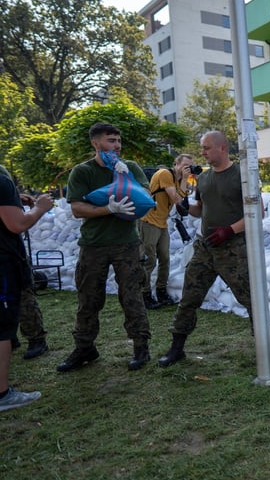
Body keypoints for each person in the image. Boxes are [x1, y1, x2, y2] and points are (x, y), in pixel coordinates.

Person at [60, 122, 152, 372]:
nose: (117, 146)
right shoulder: (82, 172)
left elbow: (144, 196)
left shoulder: (129, 167)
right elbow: (77, 208)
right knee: (89, 298)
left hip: (127, 244)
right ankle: (84, 348)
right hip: (93, 245)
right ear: (96, 143)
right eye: (111, 141)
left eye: (118, 141)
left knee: (131, 295)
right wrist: (108, 209)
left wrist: (126, 178)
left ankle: (141, 347)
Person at [157, 131, 252, 367]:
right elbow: (200, 208)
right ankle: (176, 348)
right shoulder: (204, 179)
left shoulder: (242, 174)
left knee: (251, 298)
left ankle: (263, 347)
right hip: (205, 246)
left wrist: (229, 230)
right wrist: (185, 208)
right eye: (202, 148)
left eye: (206, 148)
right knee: (189, 297)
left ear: (222, 148)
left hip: (233, 249)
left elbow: (255, 212)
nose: (202, 152)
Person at [0, 166, 52, 410]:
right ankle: (2, 394)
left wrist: (12, 200)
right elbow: (17, 224)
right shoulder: (1, 181)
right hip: (3, 263)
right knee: (3, 326)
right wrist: (40, 208)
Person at [139, 154, 194, 309]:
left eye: (189, 166)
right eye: (185, 165)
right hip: (149, 220)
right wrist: (184, 179)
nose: (187, 168)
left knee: (165, 258)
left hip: (162, 222)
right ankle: (145, 295)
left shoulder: (177, 179)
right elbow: (176, 198)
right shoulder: (164, 174)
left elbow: (181, 196)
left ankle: (161, 291)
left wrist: (184, 179)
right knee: (149, 259)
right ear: (176, 163)